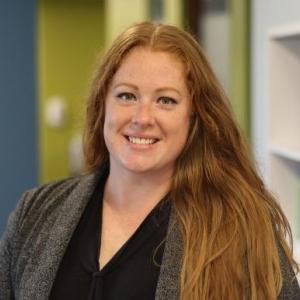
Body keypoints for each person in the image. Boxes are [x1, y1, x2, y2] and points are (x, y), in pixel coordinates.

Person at [0, 21, 299, 300]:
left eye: (165, 100)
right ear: (103, 104)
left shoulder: (241, 228)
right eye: (127, 96)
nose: (142, 118)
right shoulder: (35, 211)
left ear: (195, 117)